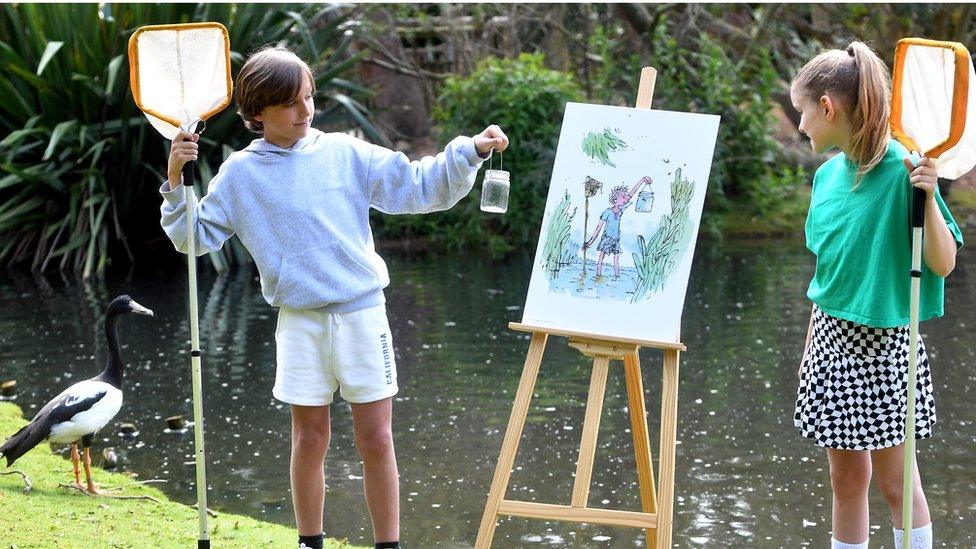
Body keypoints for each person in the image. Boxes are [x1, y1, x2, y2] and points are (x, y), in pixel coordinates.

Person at [160, 46, 509, 549]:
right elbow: (195, 238)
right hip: (300, 322)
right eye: (292, 104)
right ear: (257, 113)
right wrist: (175, 178)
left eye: (309, 98)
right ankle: (310, 542)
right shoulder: (239, 173)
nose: (306, 112)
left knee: (377, 439)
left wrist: (468, 151)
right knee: (310, 439)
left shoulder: (346, 152)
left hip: (363, 316)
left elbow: (419, 186)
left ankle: (388, 545)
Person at [790, 41, 963, 549]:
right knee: (846, 483)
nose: (799, 126)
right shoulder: (825, 177)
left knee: (896, 483)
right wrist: (808, 350)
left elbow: (943, 262)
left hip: (886, 346)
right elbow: (828, 276)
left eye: (802, 112)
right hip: (829, 342)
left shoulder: (904, 169)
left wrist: (927, 198)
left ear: (828, 107)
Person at [582, 175, 652, 279]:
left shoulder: (621, 209)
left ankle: (617, 278)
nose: (626, 198)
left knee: (616, 259)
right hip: (607, 238)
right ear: (615, 200)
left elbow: (632, 193)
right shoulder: (607, 212)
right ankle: (598, 277)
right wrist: (589, 243)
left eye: (625, 197)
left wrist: (642, 180)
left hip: (616, 240)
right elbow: (598, 228)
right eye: (622, 197)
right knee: (601, 257)